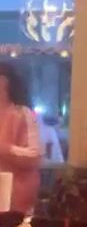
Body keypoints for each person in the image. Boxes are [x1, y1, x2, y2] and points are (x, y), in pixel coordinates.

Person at [0, 62, 41, 214]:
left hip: (14, 201)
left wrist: (5, 148)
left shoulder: (22, 114)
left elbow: (33, 154)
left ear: (4, 82)